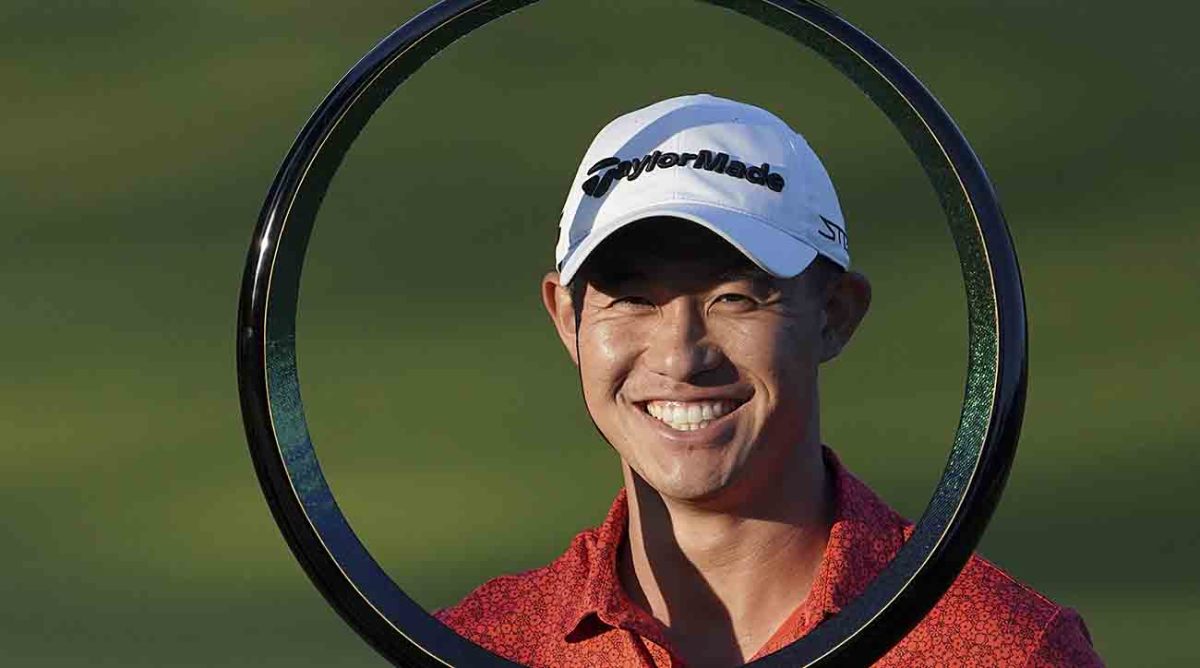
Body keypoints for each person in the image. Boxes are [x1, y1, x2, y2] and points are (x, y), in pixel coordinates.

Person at [435, 94, 1102, 667]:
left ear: (834, 315)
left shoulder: (1005, 650)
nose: (682, 355)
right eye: (633, 298)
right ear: (567, 318)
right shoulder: (477, 646)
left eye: (737, 298)